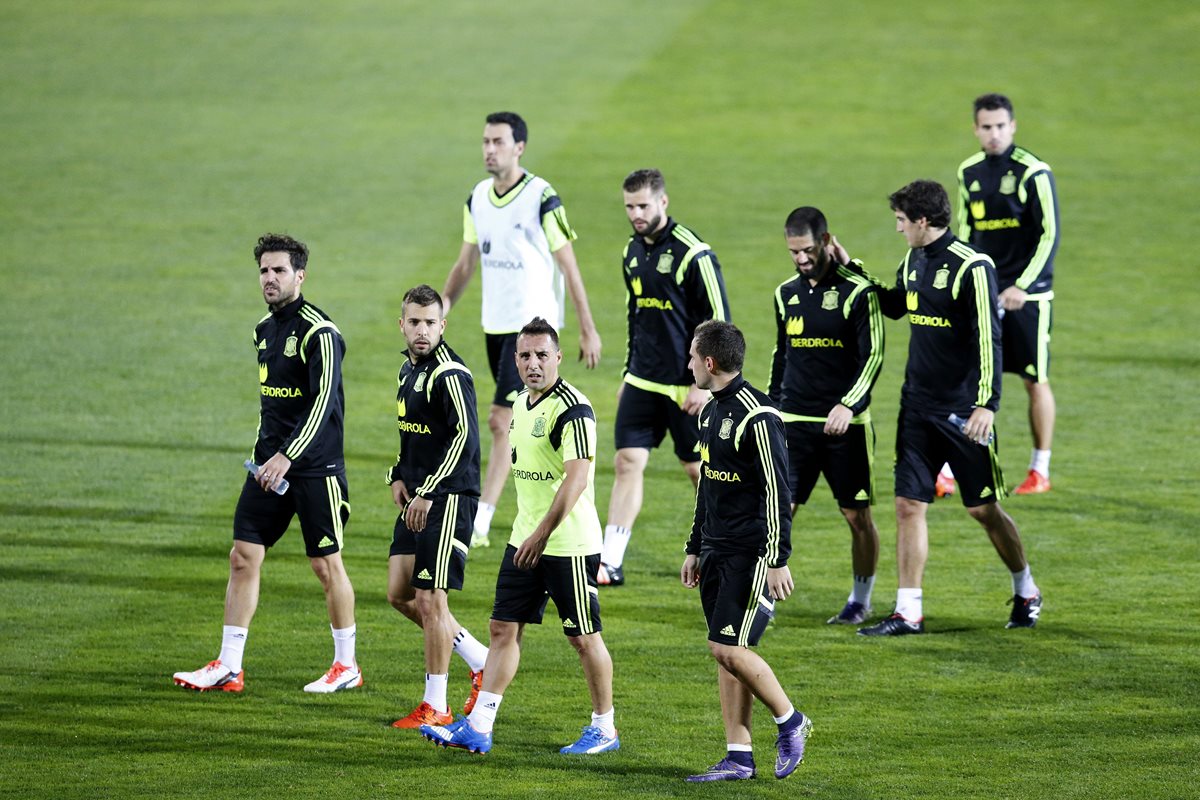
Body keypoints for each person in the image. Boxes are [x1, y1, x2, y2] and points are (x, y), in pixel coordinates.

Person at [174, 233, 362, 693]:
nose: (270, 278)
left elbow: (324, 404)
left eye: (279, 270)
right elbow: (271, 405)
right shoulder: (263, 330)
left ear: (300, 275)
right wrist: (264, 456)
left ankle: (346, 666)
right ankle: (229, 665)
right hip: (268, 468)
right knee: (243, 556)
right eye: (264, 270)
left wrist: (287, 455)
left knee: (326, 565)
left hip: (313, 469)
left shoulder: (321, 333)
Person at [421, 317, 618, 756]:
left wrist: (542, 535)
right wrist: (528, 534)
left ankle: (604, 727)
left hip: (568, 544)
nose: (533, 364)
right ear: (515, 360)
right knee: (502, 628)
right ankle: (480, 725)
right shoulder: (519, 403)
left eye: (542, 355)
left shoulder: (574, 410)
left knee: (583, 637)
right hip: (524, 539)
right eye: (525, 356)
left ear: (558, 357)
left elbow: (576, 480)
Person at [858, 181, 1043, 637]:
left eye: (902, 221)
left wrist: (986, 405)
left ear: (923, 221)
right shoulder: (913, 259)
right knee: (908, 505)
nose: (898, 229)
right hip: (916, 406)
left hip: (963, 412)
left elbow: (990, 338)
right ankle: (908, 611)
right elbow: (897, 305)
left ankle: (1026, 588)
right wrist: (851, 271)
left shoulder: (973, 267)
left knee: (983, 510)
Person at [441, 111, 603, 548]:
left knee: (500, 419)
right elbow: (466, 263)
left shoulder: (541, 197)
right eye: (485, 141)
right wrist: (441, 309)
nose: (489, 149)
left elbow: (569, 265)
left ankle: (479, 520)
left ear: (519, 148)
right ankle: (531, 501)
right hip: (495, 325)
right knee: (514, 422)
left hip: (531, 330)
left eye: (498, 142)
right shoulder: (477, 197)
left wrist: (587, 327)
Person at [681, 320, 813, 782]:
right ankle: (738, 756)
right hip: (715, 549)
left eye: (693, 357)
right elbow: (707, 485)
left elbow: (779, 490)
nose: (689, 364)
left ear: (710, 362)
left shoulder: (759, 417)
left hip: (749, 553)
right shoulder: (709, 411)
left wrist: (777, 559)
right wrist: (694, 547)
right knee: (728, 650)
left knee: (726, 646)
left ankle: (791, 721)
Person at [598, 168, 731, 587]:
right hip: (643, 380)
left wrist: (703, 384)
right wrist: (628, 372)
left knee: (698, 471)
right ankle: (610, 561)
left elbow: (719, 323)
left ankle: (723, 551)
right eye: (629, 207)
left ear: (663, 202)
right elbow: (635, 315)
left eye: (643, 205)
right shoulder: (632, 251)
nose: (636, 214)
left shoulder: (695, 254)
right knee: (626, 462)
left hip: (685, 386)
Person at [768, 207, 885, 625]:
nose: (801, 259)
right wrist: (770, 407)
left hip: (845, 428)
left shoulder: (858, 292)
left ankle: (860, 599)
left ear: (826, 241)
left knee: (856, 516)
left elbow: (873, 356)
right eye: (793, 251)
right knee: (779, 511)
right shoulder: (785, 294)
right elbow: (782, 355)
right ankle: (763, 599)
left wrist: (848, 404)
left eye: (807, 250)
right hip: (794, 423)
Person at [385, 285, 490, 729]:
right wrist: (397, 473)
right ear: (402, 324)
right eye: (415, 322)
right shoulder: (407, 371)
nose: (422, 330)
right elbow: (413, 434)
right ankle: (479, 658)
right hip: (418, 497)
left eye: (430, 323)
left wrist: (428, 491)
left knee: (430, 600)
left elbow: (464, 438)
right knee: (400, 594)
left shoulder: (450, 374)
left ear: (442, 325)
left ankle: (437, 705)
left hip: (447, 498)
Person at [955, 92, 1061, 494]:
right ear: (976, 129)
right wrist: (967, 284)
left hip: (1028, 297)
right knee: (969, 379)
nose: (994, 134)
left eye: (1001, 126)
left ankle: (1039, 470)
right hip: (985, 293)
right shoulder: (968, 172)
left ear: (1013, 126)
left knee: (1034, 380)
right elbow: (966, 233)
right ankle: (952, 468)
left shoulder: (1034, 171)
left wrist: (1023, 286)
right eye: (987, 127)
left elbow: (1050, 235)